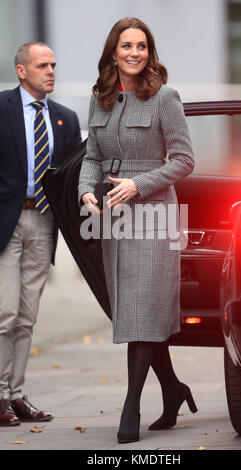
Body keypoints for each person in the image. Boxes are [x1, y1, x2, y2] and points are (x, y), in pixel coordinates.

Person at [78, 18, 196, 444]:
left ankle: (131, 408)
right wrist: (84, 193)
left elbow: (184, 160)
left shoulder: (165, 97)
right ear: (114, 52)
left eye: (142, 46)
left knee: (142, 310)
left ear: (150, 51)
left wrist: (138, 184)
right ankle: (174, 389)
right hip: (113, 216)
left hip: (155, 215)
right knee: (134, 312)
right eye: (126, 45)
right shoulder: (100, 98)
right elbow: (92, 156)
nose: (134, 52)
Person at [0, 42, 81, 425]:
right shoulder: (1, 109)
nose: (51, 70)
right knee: (5, 312)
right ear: (21, 70)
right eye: (42, 65)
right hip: (7, 224)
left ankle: (15, 396)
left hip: (44, 224)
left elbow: (72, 176)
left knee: (27, 318)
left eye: (53, 64)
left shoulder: (64, 118)